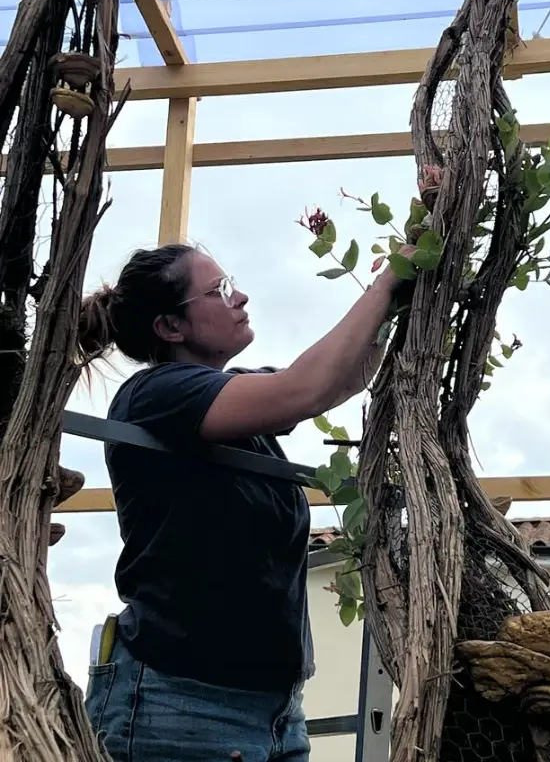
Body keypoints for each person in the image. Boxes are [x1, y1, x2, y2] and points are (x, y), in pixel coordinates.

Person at [77, 241, 409, 762]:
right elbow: (306, 388)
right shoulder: (156, 395)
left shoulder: (233, 401)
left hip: (274, 710)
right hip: (179, 705)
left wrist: (402, 296)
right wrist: (388, 281)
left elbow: (341, 378)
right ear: (170, 327)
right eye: (219, 290)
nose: (241, 297)